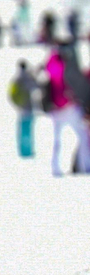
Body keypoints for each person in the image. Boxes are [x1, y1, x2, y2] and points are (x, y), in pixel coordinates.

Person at [42, 43, 90, 176]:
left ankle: (56, 168)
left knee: (57, 141)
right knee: (83, 137)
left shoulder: (51, 65)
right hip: (68, 107)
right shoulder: (64, 65)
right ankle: (85, 167)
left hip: (56, 109)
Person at [8, 60, 38, 159]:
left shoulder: (16, 78)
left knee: (21, 131)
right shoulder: (26, 78)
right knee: (27, 131)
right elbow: (35, 86)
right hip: (27, 107)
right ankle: (27, 152)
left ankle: (22, 150)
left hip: (20, 108)